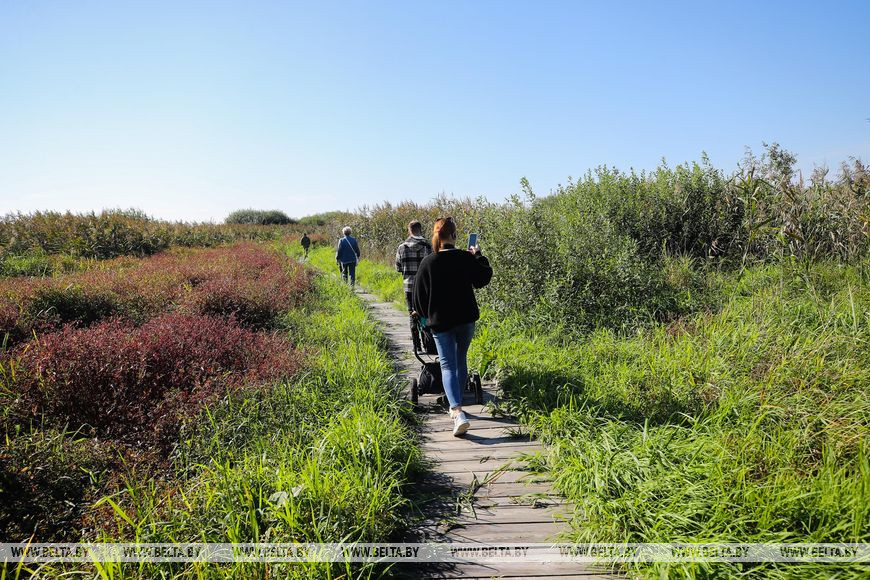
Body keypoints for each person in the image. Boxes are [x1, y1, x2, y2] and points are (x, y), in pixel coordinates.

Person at [413, 217, 492, 436]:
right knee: (460, 359)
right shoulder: (465, 258)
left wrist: (423, 315)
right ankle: (458, 407)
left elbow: (418, 299)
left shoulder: (428, 263)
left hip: (441, 322)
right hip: (466, 319)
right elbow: (483, 278)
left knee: (447, 365)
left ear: (436, 236)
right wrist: (477, 255)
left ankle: (457, 411)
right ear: (455, 236)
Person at [395, 220, 432, 313]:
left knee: (412, 313)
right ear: (420, 230)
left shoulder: (401, 247)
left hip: (409, 285)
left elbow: (398, 268)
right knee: (425, 314)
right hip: (425, 286)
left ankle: (413, 325)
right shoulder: (428, 247)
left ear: (409, 231)